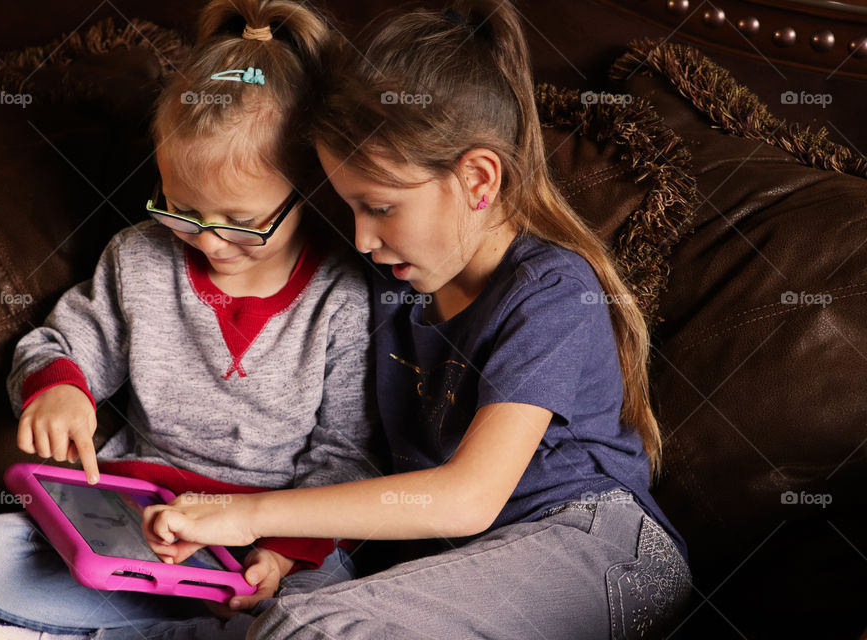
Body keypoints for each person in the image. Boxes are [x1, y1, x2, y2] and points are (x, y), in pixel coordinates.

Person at [139, 1, 694, 639]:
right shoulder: (389, 278)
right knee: (255, 615)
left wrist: (247, 514)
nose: (362, 237)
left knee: (310, 627)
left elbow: (468, 497)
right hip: (450, 563)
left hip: (600, 550)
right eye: (348, 207)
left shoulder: (552, 294)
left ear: (478, 179)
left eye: (379, 207)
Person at [0, 1, 383, 639]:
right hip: (135, 512)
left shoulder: (343, 298)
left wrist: (277, 553)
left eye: (242, 223)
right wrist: (60, 388)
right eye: (182, 210)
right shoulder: (138, 258)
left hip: (264, 535)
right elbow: (60, 341)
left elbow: (346, 454)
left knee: (335, 603)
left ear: (314, 188)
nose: (210, 243)